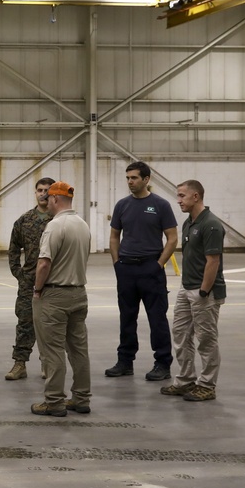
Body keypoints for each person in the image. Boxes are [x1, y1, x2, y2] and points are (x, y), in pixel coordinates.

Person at [107, 161, 178, 381]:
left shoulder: (160, 205)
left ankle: (163, 364)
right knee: (127, 317)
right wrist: (117, 263)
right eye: (128, 178)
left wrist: (158, 265)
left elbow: (172, 238)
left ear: (146, 179)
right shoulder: (121, 205)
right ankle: (125, 361)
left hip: (151, 268)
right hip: (126, 268)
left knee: (157, 318)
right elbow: (113, 237)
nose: (130, 181)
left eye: (134, 178)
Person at [30, 181, 92, 417]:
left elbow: (44, 263)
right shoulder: (83, 225)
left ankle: (54, 401)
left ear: (55, 199)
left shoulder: (55, 226)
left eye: (48, 198)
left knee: (52, 350)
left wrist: (37, 289)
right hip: (79, 292)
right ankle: (82, 398)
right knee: (79, 349)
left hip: (55, 295)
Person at [160, 180, 225, 402]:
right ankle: (186, 379)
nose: (178, 200)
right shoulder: (189, 222)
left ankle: (207, 385)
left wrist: (204, 292)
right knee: (180, 334)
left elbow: (213, 262)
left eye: (182, 196)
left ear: (195, 196)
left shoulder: (211, 225)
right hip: (186, 288)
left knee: (206, 339)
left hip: (203, 291)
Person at [6, 177, 53, 380]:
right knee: (25, 322)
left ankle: (48, 364)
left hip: (55, 282)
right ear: (35, 193)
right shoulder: (25, 220)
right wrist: (19, 273)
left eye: (47, 190)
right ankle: (20, 364)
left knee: (51, 324)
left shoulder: (60, 220)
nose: (43, 193)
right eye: (39, 190)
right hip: (29, 282)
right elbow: (13, 248)